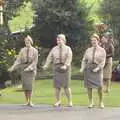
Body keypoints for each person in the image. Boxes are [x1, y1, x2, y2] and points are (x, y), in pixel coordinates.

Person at [43, 34, 73, 107]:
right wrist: (46, 65)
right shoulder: (54, 49)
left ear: (63, 40)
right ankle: (58, 101)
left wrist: (66, 65)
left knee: (66, 86)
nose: (58, 41)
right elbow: (49, 57)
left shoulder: (68, 48)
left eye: (59, 40)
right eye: (57, 40)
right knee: (57, 86)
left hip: (65, 68)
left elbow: (69, 58)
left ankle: (70, 101)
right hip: (56, 68)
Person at [8, 35, 38, 106]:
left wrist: (29, 68)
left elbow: (35, 62)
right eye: (25, 41)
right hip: (24, 69)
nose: (26, 43)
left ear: (30, 42)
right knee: (25, 86)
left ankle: (30, 101)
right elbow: (18, 60)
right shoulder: (22, 50)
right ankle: (27, 101)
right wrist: (13, 67)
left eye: (28, 41)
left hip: (31, 70)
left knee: (29, 85)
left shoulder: (35, 50)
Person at [80, 34, 106, 108]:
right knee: (89, 87)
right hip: (89, 69)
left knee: (100, 87)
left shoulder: (102, 50)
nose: (93, 41)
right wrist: (82, 68)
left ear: (98, 41)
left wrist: (98, 68)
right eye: (92, 40)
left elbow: (103, 61)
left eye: (94, 40)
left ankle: (101, 102)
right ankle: (91, 102)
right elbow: (84, 60)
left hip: (98, 69)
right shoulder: (88, 50)